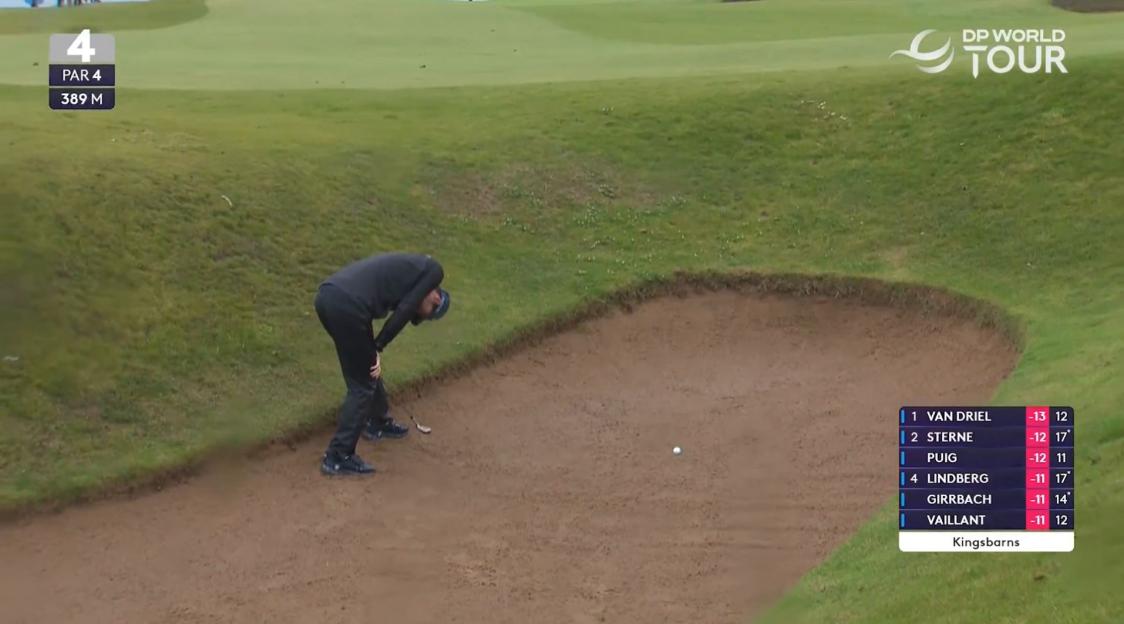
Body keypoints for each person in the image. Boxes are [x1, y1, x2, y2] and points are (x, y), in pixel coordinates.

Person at [314, 252, 450, 476]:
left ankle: (377, 420)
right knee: (362, 384)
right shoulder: (434, 271)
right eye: (428, 315)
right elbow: (404, 311)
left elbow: (404, 309)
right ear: (435, 298)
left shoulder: (413, 275)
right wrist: (378, 346)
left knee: (367, 370)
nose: (422, 317)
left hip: (331, 298)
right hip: (347, 305)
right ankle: (338, 456)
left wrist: (373, 350)